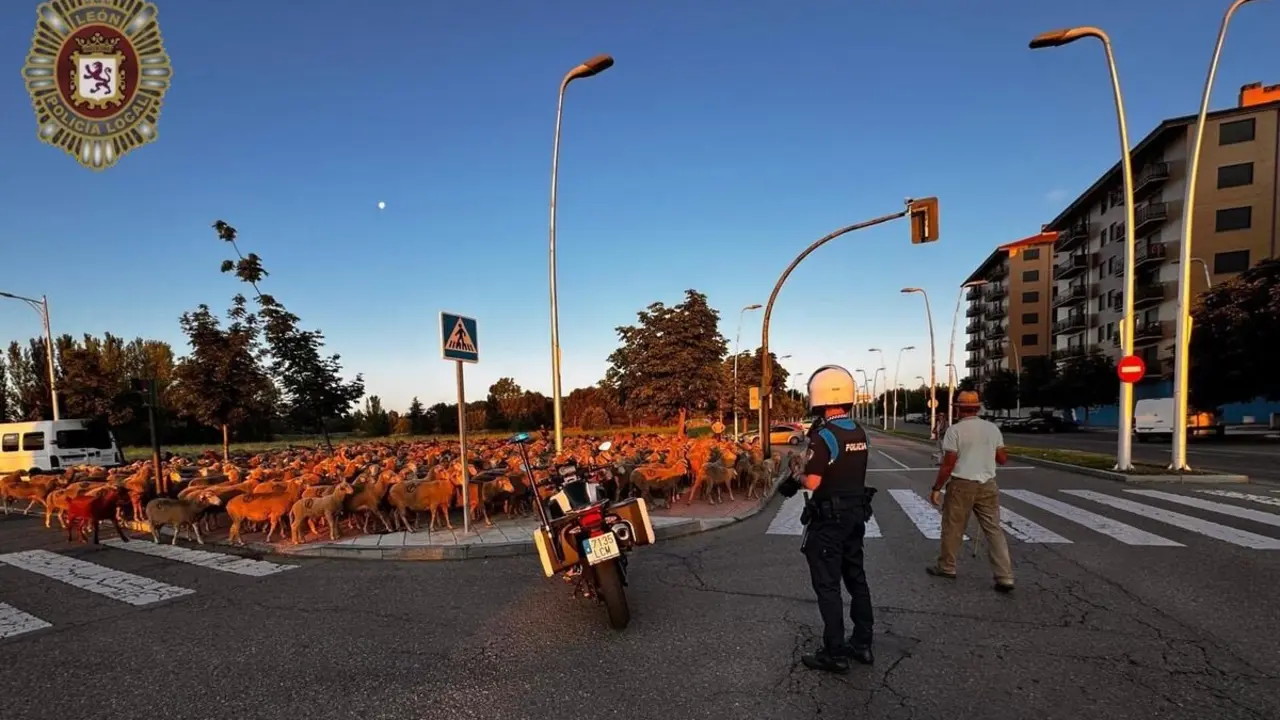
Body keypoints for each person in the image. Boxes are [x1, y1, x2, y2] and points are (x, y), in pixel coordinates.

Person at [778, 365, 876, 674]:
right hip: (855, 515)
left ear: (818, 397)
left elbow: (815, 482)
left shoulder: (824, 436)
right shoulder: (859, 431)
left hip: (829, 520)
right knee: (857, 579)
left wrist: (796, 477)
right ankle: (862, 644)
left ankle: (834, 652)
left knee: (828, 586)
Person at [927, 389, 1015, 592]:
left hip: (961, 485)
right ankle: (1005, 576)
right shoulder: (992, 429)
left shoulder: (955, 431)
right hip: (988, 484)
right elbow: (1002, 459)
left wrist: (936, 488)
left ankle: (947, 566)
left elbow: (948, 465)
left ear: (958, 410)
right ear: (977, 408)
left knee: (953, 528)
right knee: (994, 530)